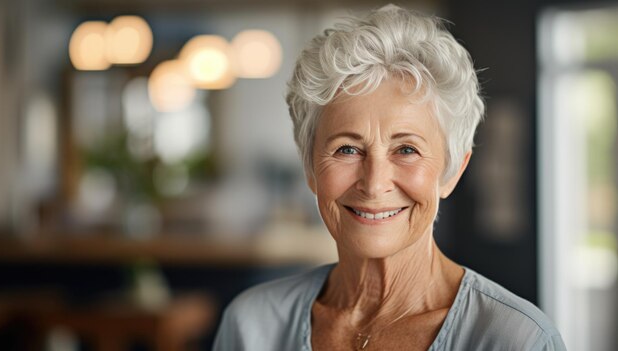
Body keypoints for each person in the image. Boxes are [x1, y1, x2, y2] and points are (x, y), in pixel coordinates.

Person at [212, 4, 566, 351]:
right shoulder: (251, 325)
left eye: (406, 150)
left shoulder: (518, 340)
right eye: (347, 149)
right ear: (309, 167)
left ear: (452, 170)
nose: (374, 182)